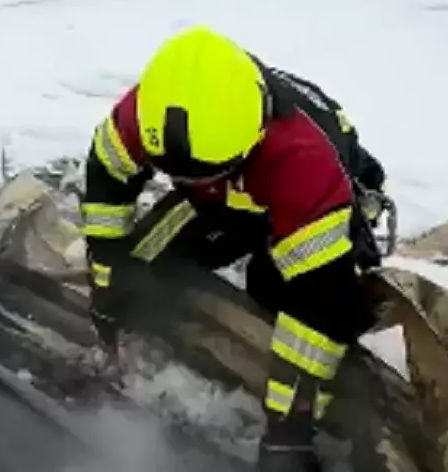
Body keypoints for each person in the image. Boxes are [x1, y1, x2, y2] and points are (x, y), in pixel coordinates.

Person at [78, 25, 391, 472]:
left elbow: (321, 307)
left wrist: (289, 431)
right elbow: (107, 177)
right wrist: (106, 277)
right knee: (142, 270)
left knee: (278, 292)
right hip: (226, 199)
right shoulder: (148, 110)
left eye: (201, 173)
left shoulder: (302, 161)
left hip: (320, 198)